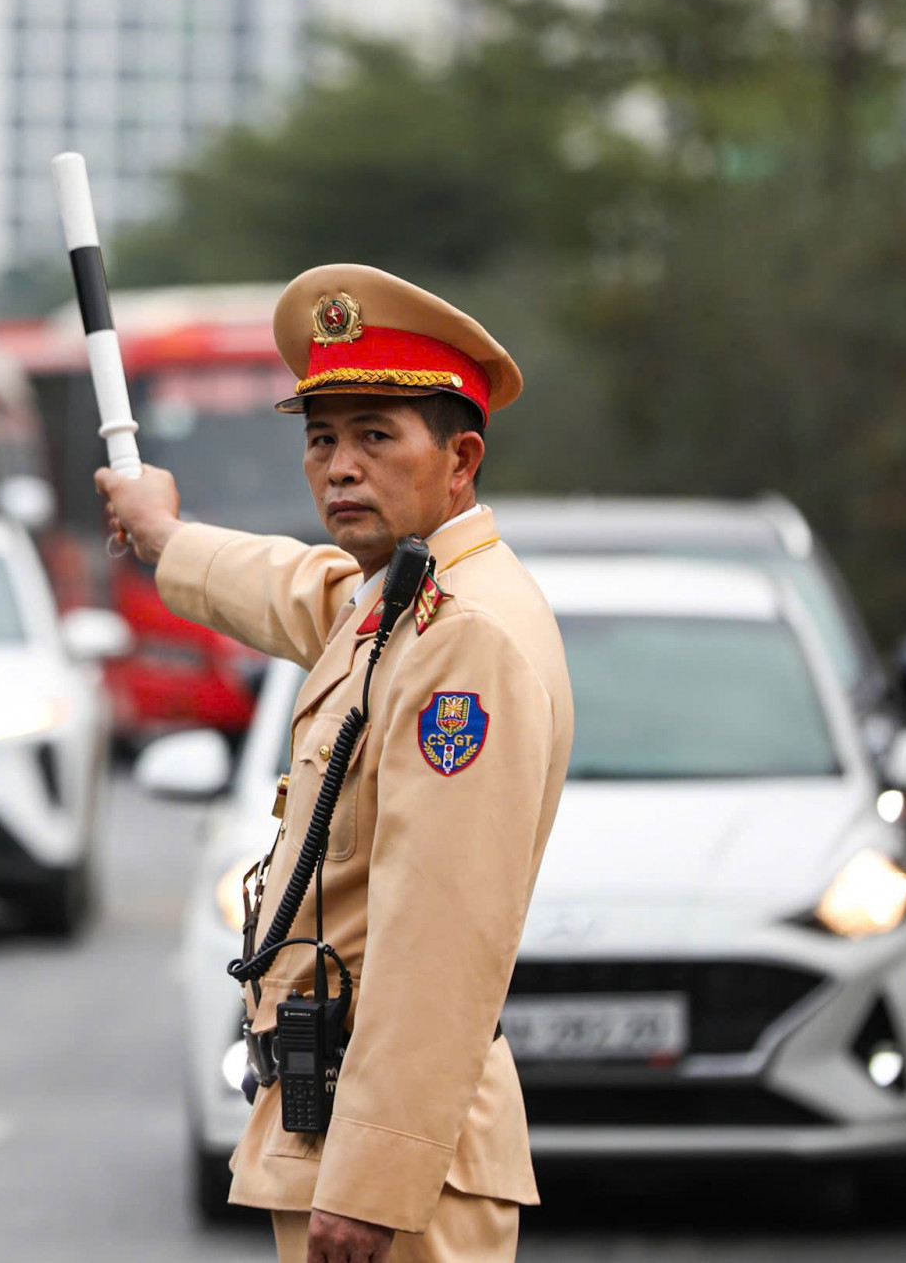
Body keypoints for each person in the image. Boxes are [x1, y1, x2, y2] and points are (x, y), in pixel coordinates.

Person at [98, 264, 574, 1263]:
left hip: (402, 1171)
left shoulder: (463, 636)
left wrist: (374, 1175)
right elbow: (295, 586)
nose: (338, 465)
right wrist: (165, 533)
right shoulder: (400, 597)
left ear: (461, 458)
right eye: (320, 438)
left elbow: (439, 932)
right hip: (344, 1128)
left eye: (374, 435)